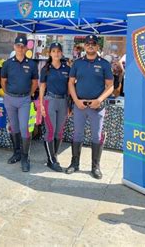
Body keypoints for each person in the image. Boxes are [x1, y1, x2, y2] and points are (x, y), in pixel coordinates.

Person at [67, 34, 113, 179]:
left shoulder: (105, 64)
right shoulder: (77, 63)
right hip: (80, 105)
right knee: (77, 134)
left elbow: (110, 86)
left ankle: (95, 167)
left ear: (98, 46)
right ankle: (74, 164)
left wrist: (99, 100)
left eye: (93, 43)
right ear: (84, 46)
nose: (90, 45)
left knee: (96, 136)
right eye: (88, 43)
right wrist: (76, 100)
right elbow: (70, 83)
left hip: (96, 106)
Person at [1, 35, 39, 172]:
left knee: (24, 128)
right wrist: (8, 93)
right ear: (14, 47)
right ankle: (16, 153)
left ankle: (25, 157)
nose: (20, 48)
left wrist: (28, 94)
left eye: (23, 46)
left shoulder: (32, 64)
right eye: (18, 46)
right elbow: (3, 81)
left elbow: (35, 83)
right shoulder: (7, 63)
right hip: (10, 99)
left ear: (26, 48)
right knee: (14, 128)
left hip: (24, 100)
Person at [38, 42, 70, 172]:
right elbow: (42, 87)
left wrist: (70, 105)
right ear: (50, 53)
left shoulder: (67, 69)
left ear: (61, 53)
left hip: (63, 102)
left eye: (58, 51)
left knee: (59, 132)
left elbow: (69, 88)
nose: (56, 53)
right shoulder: (45, 69)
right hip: (50, 101)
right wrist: (41, 104)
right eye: (53, 51)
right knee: (50, 131)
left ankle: (54, 156)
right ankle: (52, 161)